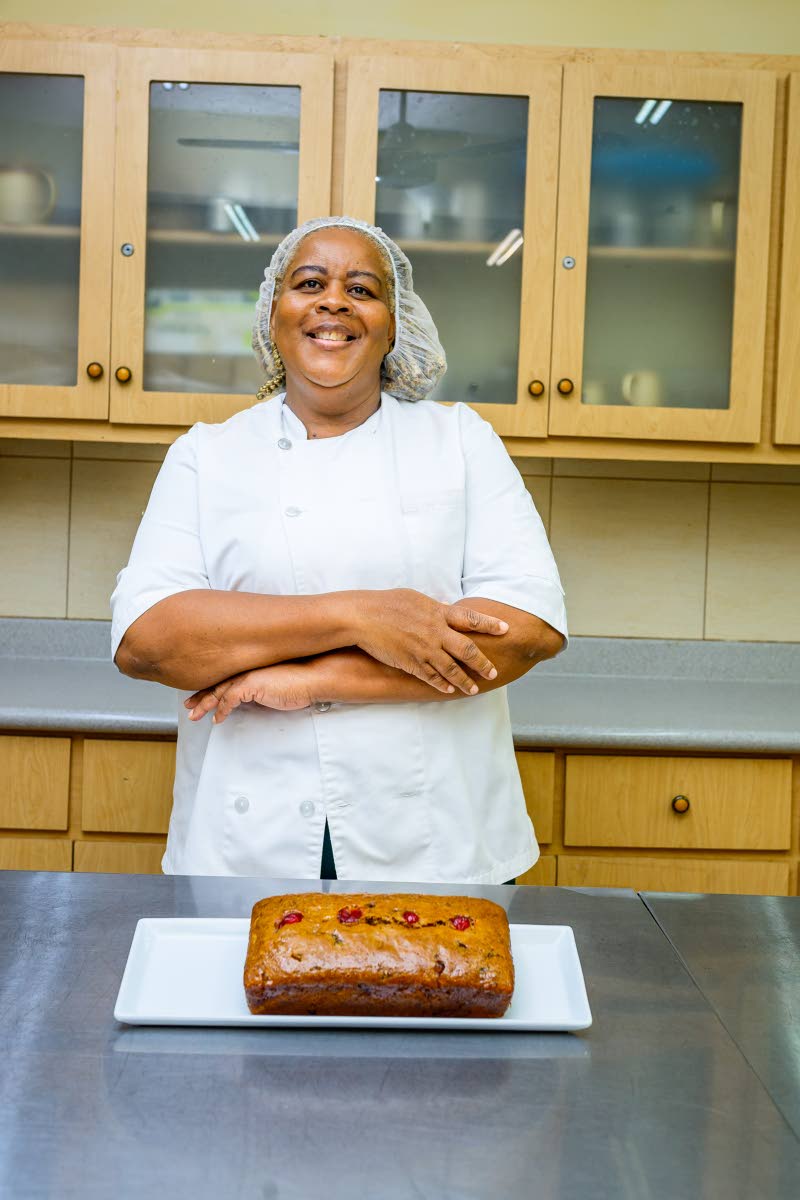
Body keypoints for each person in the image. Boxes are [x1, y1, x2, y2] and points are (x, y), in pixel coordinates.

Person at [111, 215, 567, 884]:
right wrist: (363, 616)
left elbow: (524, 632)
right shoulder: (207, 456)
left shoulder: (460, 443)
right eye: (309, 282)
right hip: (249, 840)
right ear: (275, 315)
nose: (333, 301)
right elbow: (149, 643)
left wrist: (310, 681)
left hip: (438, 839)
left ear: (392, 323)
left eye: (362, 288)